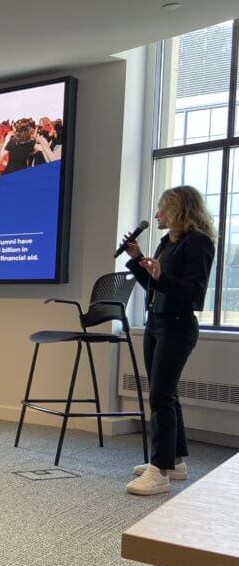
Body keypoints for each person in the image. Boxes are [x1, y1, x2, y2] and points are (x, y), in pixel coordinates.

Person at [123, 186, 215, 496]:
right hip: (157, 322)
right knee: (166, 393)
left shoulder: (198, 243)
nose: (157, 214)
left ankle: (158, 471)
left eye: (162, 208)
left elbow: (194, 293)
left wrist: (162, 277)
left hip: (177, 326)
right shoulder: (168, 241)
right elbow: (155, 285)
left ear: (178, 209)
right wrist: (137, 260)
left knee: (161, 395)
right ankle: (173, 462)